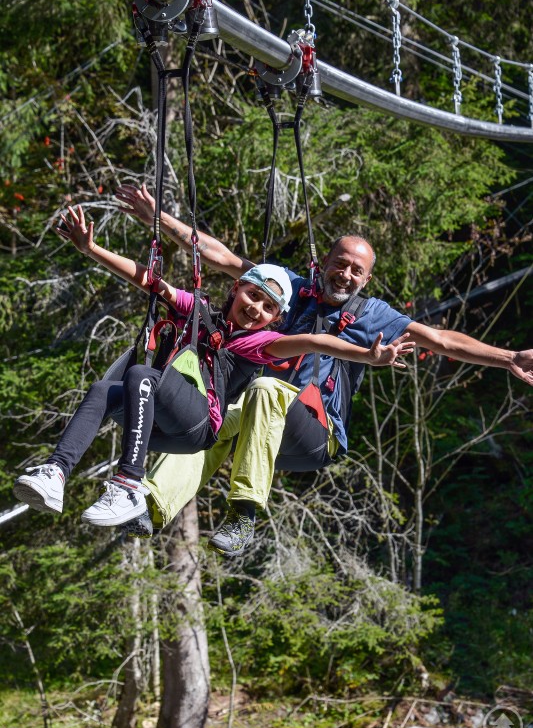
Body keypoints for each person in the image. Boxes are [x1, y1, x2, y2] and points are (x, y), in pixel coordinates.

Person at [114, 184, 533, 555]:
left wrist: (509, 358)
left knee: (262, 390)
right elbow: (223, 257)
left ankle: (243, 515)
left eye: (356, 271)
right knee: (218, 418)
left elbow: (440, 339)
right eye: (340, 264)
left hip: (316, 434)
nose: (345, 275)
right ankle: (150, 506)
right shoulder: (291, 290)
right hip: (262, 421)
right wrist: (159, 219)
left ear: (366, 280)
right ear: (324, 262)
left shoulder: (372, 315)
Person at [13, 203, 414, 529]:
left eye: (268, 308)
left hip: (198, 428)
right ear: (236, 288)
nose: (255, 309)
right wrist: (91, 250)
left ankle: (129, 483)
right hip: (164, 424)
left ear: (276, 319)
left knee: (142, 376)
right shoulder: (200, 311)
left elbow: (315, 341)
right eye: (252, 295)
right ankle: (56, 472)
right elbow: (150, 282)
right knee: (104, 389)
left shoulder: (259, 343)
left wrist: (367, 356)